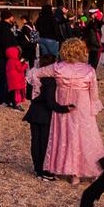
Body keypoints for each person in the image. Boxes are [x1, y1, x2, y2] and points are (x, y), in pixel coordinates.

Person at [32, 37, 104, 185]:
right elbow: (94, 94)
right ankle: (89, 170)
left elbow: (35, 73)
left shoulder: (57, 67)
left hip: (62, 108)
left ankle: (73, 173)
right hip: (82, 107)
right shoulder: (89, 70)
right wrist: (94, 108)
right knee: (86, 138)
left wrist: (38, 92)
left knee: (66, 138)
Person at [23, 52, 75, 180]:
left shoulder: (33, 75)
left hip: (33, 112)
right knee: (44, 143)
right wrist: (65, 108)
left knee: (35, 142)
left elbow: (29, 96)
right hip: (44, 114)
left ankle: (37, 169)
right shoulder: (50, 80)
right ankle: (44, 171)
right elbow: (50, 102)